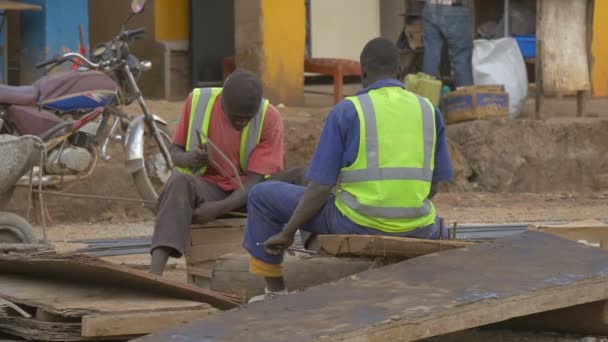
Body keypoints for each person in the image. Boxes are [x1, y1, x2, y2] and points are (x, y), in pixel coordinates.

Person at [242, 37, 454, 301]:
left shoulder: (348, 111)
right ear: (400, 71)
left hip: (358, 221)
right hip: (420, 225)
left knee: (261, 196)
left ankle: (274, 292)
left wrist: (287, 233)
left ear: (363, 73)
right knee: (442, 226)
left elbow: (319, 188)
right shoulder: (429, 111)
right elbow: (434, 185)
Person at [150, 69, 302, 276]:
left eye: (247, 119)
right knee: (178, 182)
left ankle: (322, 253)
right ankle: (155, 273)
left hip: (256, 194)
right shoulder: (198, 102)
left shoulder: (269, 117)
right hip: (212, 187)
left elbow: (254, 182)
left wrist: (217, 209)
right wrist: (189, 158)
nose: (241, 123)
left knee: (303, 177)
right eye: (236, 118)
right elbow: (174, 151)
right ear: (222, 103)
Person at [422, 0, 474, 87]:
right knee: (461, 58)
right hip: (456, 8)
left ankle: (426, 96)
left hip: (430, 7)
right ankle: (465, 98)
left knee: (431, 55)